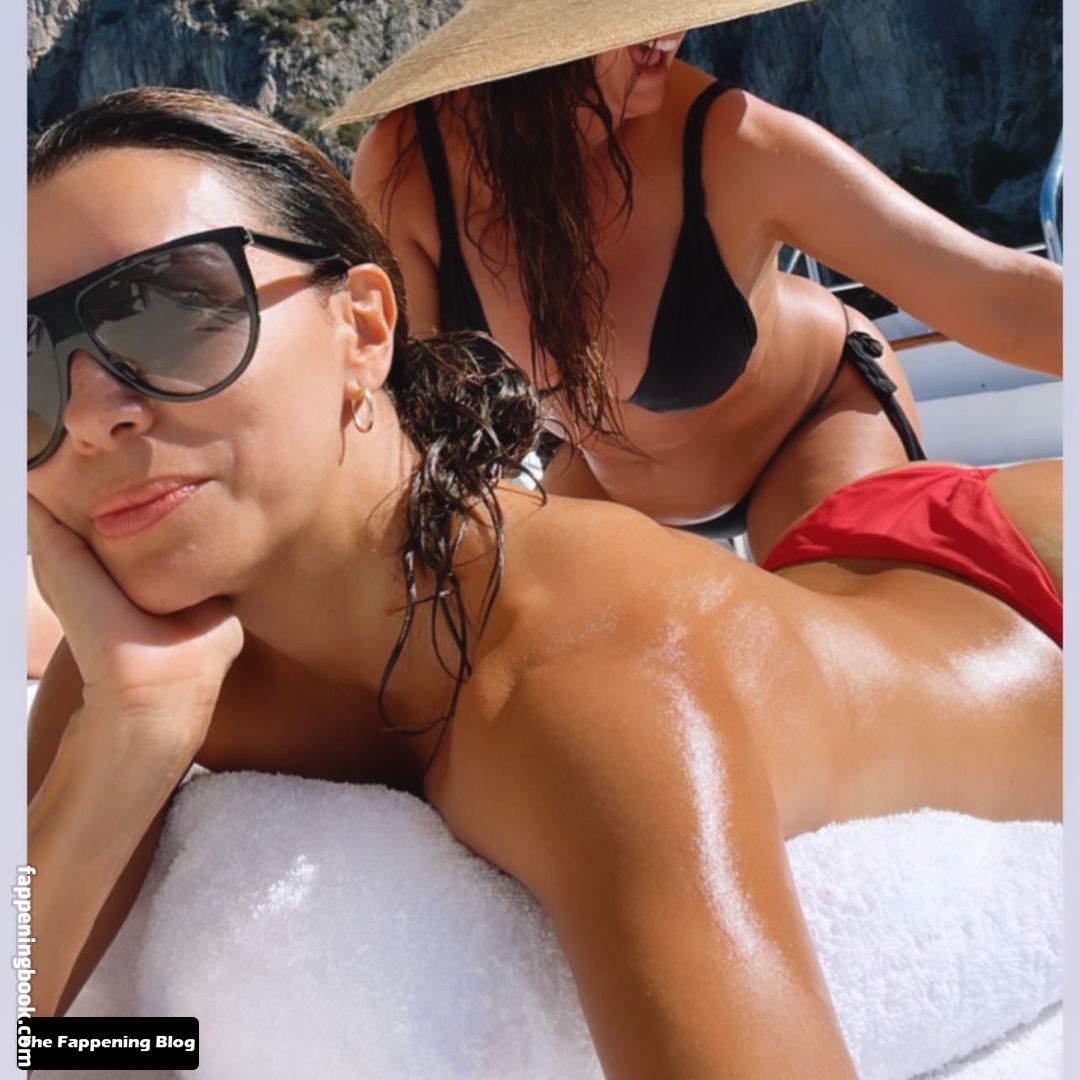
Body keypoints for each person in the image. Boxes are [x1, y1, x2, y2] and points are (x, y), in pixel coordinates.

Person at [28, 89, 1060, 1080]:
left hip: (1019, 586)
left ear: (365, 329)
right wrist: (129, 742)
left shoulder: (587, 683)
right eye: (24, 363)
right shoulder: (128, 668)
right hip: (832, 580)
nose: (85, 413)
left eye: (170, 311)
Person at [343, 0, 1062, 558]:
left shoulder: (735, 144)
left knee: (819, 623)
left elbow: (995, 296)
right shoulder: (408, 171)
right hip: (602, 481)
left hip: (812, 422)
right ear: (539, 24)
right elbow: (394, 419)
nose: (674, 25)